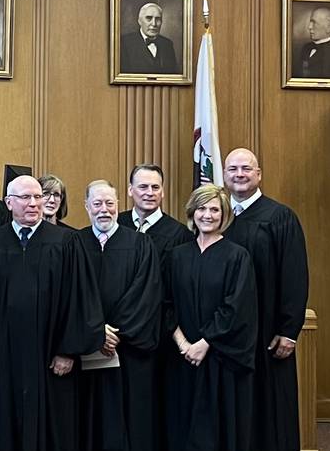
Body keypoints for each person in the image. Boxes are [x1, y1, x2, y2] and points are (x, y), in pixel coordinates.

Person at [0, 175, 104, 451]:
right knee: (5, 423)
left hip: (50, 357)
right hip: (4, 356)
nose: (35, 203)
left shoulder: (66, 242)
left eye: (38, 197)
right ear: (9, 202)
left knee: (53, 427)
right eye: (26, 198)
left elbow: (80, 298)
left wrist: (68, 350)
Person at [222, 148, 309, 451]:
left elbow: (294, 275)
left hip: (268, 333)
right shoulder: (216, 217)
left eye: (246, 168)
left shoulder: (280, 217)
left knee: (270, 407)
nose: (239, 174)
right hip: (228, 336)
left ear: (259, 174)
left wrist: (288, 329)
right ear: (223, 174)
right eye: (232, 169)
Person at [165, 184, 257, 451]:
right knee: (182, 426)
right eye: (202, 208)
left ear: (224, 214)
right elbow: (165, 304)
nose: (207, 215)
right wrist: (184, 345)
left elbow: (235, 308)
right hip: (182, 359)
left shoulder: (237, 256)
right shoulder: (177, 256)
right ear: (192, 213)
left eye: (214, 209)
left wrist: (204, 343)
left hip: (220, 358)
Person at [76, 180, 161, 451]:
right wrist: (95, 331)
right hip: (87, 348)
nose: (104, 210)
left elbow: (146, 293)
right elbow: (71, 295)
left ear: (119, 205)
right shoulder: (74, 243)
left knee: (130, 418)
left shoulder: (140, 243)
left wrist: (114, 332)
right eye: (98, 204)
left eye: (110, 203)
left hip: (129, 351)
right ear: (86, 206)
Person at [117, 163, 193, 450]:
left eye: (155, 187)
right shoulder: (116, 224)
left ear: (163, 192)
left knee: (152, 407)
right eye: (143, 187)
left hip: (159, 336)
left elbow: (177, 290)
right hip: (116, 335)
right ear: (130, 190)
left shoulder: (178, 234)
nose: (149, 193)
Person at [119, 2, 178, 74]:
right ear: (139, 21)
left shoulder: (168, 44)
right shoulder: (124, 43)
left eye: (158, 19)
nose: (154, 24)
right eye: (149, 18)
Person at [295, 6, 330, 78]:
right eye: (310, 22)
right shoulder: (306, 47)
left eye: (314, 23)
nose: (309, 27)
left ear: (329, 27)